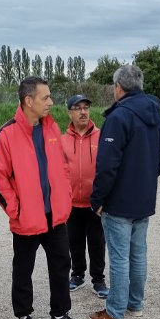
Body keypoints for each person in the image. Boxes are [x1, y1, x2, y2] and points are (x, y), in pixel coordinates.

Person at [0, 76, 89, 319]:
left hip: (54, 216)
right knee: (23, 268)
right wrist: (17, 210)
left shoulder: (51, 129)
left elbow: (63, 168)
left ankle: (60, 315)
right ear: (28, 100)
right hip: (27, 218)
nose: (51, 102)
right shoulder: (6, 135)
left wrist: (65, 198)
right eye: (45, 97)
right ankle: (24, 315)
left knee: (61, 263)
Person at [88, 65, 160, 319]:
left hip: (119, 200)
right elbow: (159, 159)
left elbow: (107, 165)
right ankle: (135, 302)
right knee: (138, 253)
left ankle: (115, 311)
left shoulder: (119, 117)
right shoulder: (155, 114)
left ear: (118, 87)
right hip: (143, 198)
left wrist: (97, 198)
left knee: (120, 257)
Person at [62, 94, 108, 298]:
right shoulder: (62, 140)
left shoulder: (102, 136)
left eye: (86, 108)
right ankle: (77, 275)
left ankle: (98, 280)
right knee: (74, 241)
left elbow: (108, 168)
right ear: (69, 113)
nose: (83, 112)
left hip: (95, 202)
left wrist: (105, 197)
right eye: (78, 108)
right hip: (71, 202)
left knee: (97, 242)